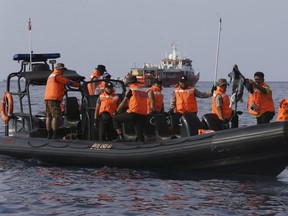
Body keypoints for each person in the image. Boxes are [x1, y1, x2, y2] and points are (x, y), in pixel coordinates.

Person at [45, 63, 80, 139]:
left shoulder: (51, 76)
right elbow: (68, 82)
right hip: (54, 98)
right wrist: (78, 85)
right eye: (62, 70)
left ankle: (49, 134)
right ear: (58, 69)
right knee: (55, 116)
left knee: (49, 116)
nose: (63, 71)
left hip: (48, 98)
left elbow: (56, 87)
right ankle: (54, 134)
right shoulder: (57, 76)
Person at [113, 75, 148, 142]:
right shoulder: (143, 90)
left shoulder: (131, 90)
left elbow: (123, 103)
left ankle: (121, 138)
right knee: (139, 131)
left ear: (129, 83)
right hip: (143, 114)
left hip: (133, 113)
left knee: (115, 118)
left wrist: (116, 111)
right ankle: (141, 144)